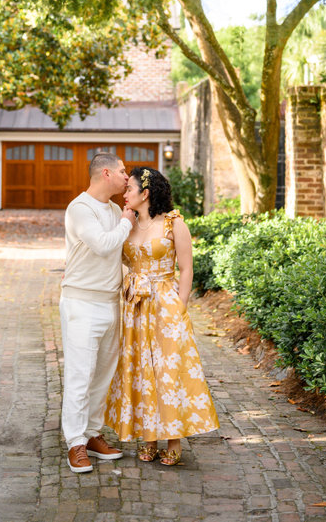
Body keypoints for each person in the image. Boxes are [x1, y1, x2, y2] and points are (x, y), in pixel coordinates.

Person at [105, 166, 219, 465]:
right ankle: (149, 437)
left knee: (167, 371)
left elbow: (186, 269)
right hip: (135, 307)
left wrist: (180, 306)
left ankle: (173, 439)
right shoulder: (125, 223)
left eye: (129, 189)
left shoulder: (173, 224)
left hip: (165, 304)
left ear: (145, 193)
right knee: (140, 370)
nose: (124, 193)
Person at [60, 152, 136, 473]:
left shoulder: (116, 209)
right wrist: (128, 221)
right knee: (81, 374)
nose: (126, 176)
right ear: (106, 173)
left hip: (110, 302)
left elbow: (118, 255)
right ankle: (75, 443)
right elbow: (105, 245)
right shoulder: (80, 208)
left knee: (103, 375)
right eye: (122, 171)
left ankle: (92, 434)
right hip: (81, 303)